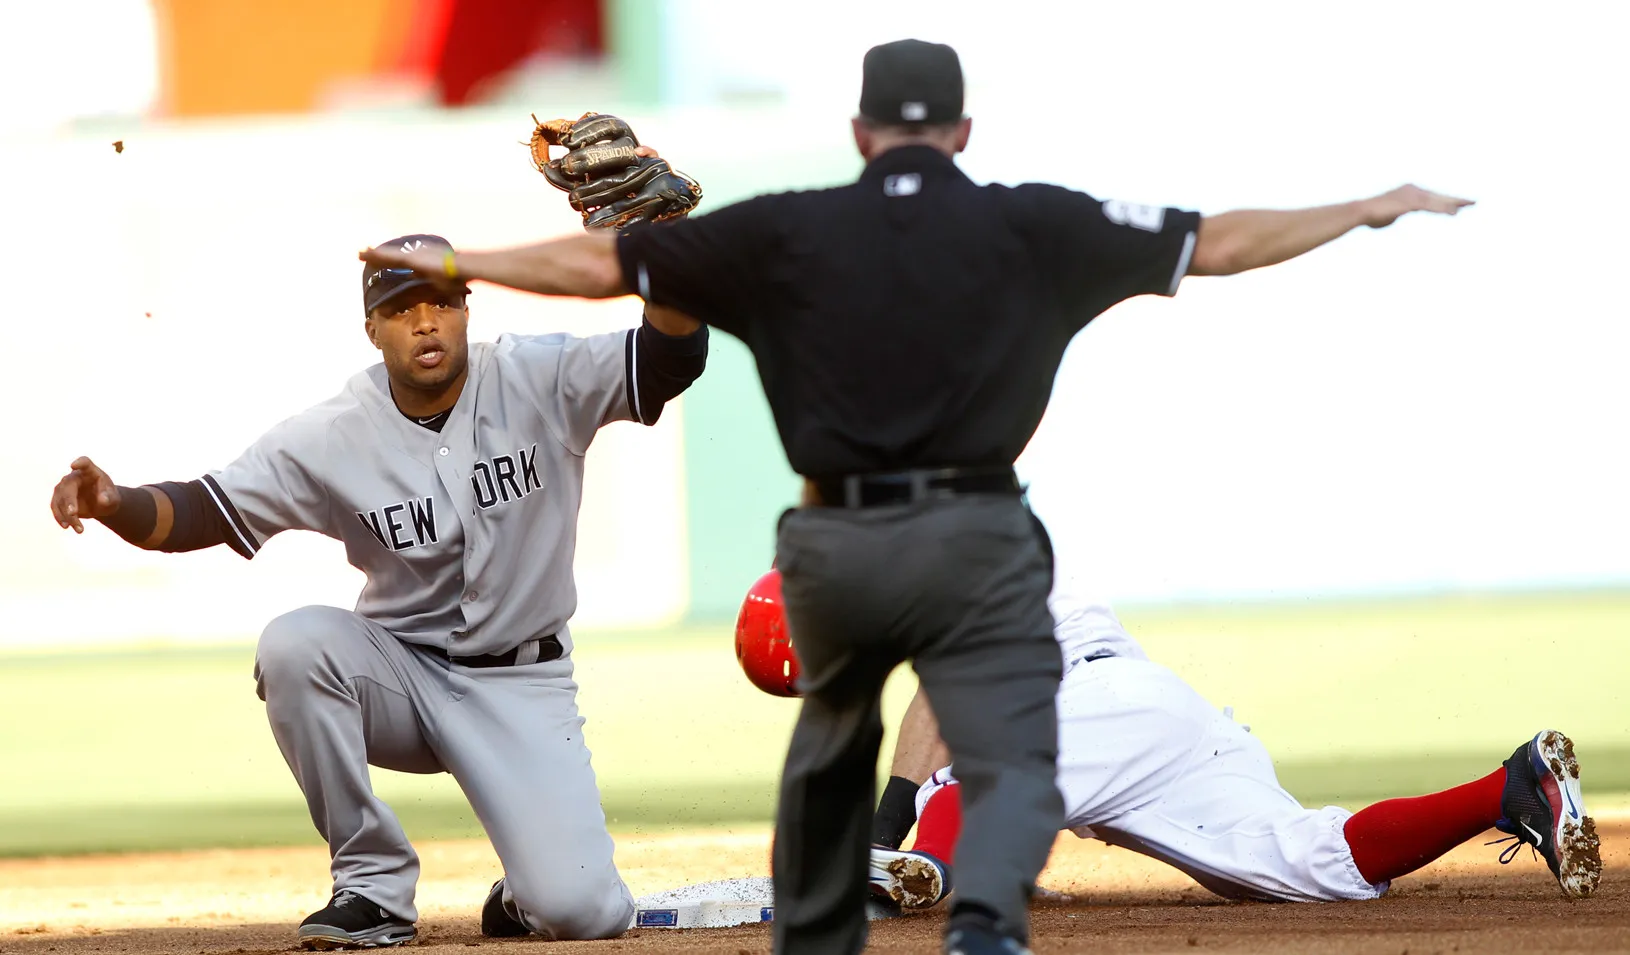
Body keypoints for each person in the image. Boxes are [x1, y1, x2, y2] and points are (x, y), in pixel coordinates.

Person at [357, 39, 1472, 955]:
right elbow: (1222, 242)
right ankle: (981, 919)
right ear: (962, 131)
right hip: (980, 520)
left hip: (836, 537)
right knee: (997, 723)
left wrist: (460, 263)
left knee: (837, 731)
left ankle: (831, 905)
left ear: (858, 133)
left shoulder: (789, 226)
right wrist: (1367, 207)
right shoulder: (1036, 221)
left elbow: (605, 266)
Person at [48, 234, 708, 950]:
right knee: (295, 644)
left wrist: (661, 250)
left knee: (581, 911)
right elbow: (204, 507)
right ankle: (372, 884)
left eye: (441, 301)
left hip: (524, 685)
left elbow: (669, 358)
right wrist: (116, 503)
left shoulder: (538, 376)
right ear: (373, 329)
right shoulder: (336, 433)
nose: (425, 321)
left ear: (466, 308)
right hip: (399, 675)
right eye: (401, 307)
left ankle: (524, 891)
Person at [736, 572, 1605, 909]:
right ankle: (1511, 787)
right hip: (1169, 722)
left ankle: (926, 871)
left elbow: (946, 679)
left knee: (970, 774)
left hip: (1084, 693)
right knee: (1306, 868)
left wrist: (889, 827)